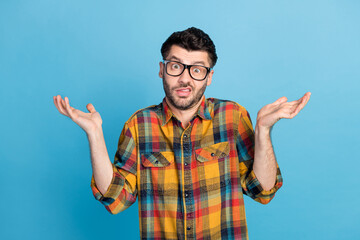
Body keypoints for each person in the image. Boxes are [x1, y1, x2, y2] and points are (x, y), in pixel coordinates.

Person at [53, 27, 311, 239]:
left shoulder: (232, 117)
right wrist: (94, 134)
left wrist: (264, 130)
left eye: (197, 69)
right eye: (176, 66)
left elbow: (263, 191)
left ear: (209, 77)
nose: (185, 79)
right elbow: (115, 199)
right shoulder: (139, 124)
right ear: (162, 69)